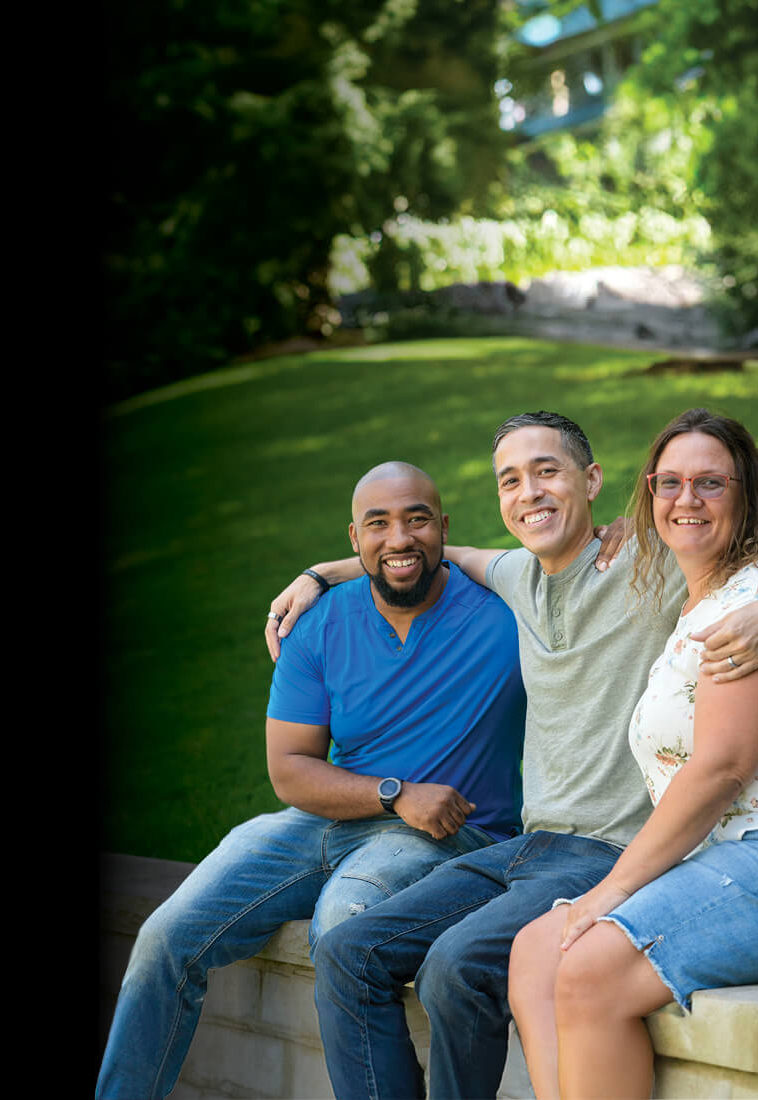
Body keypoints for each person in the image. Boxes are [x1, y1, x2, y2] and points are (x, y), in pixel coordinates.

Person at [260, 411, 758, 1100]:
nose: (530, 492)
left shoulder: (659, 556)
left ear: (592, 480)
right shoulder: (517, 575)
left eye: (547, 471)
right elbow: (435, 554)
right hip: (529, 844)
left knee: (454, 966)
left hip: (611, 848)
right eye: (510, 480)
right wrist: (321, 573)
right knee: (347, 952)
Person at [96, 463, 529, 1100]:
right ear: (354, 537)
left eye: (416, 519)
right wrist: (394, 794)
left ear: (445, 528)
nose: (399, 538)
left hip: (449, 833)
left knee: (344, 921)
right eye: (378, 524)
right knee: (167, 936)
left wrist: (321, 568)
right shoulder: (323, 622)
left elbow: (571, 558)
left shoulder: (502, 612)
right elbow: (290, 770)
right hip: (333, 819)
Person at [504, 409, 758, 1100]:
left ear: (746, 495)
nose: (686, 499)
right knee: (534, 952)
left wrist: (612, 888)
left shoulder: (755, 606)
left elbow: (722, 769)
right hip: (732, 857)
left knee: (588, 968)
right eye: (669, 482)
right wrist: (328, 571)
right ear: (647, 493)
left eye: (710, 482)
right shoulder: (690, 599)